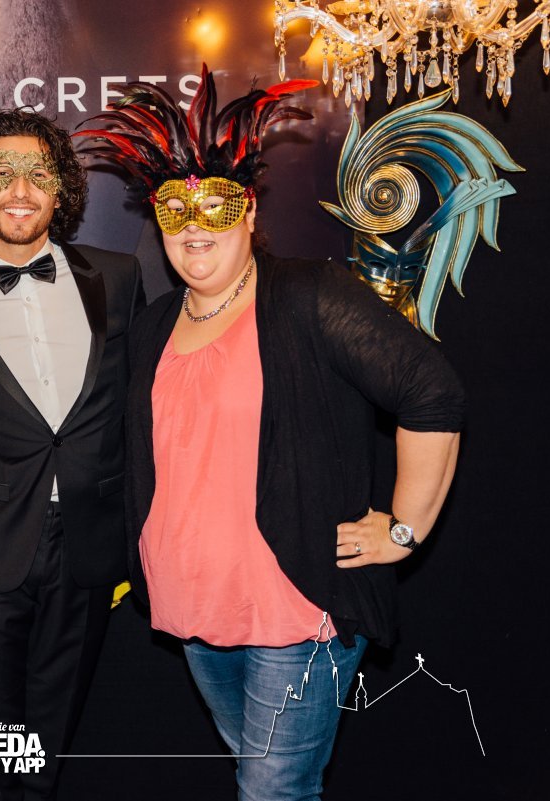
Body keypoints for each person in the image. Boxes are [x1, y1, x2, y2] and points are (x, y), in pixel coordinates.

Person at [77, 69, 466, 800]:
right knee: (264, 778)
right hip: (195, 611)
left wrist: (405, 528)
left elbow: (431, 390)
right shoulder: (156, 325)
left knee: (271, 790)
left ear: (249, 211)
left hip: (298, 606)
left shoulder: (308, 295)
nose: (193, 225)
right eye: (174, 208)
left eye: (215, 206)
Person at [0, 108, 144, 800]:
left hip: (88, 542)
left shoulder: (120, 276)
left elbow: (142, 409)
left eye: (39, 174)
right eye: (2, 174)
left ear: (62, 189)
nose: (21, 191)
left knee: (49, 735)